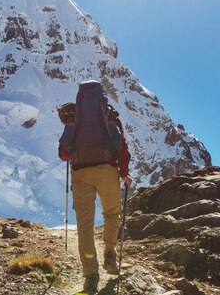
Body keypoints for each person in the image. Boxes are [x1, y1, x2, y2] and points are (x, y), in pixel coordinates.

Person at [58, 80, 133, 294]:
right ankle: (110, 253)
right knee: (112, 213)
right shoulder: (109, 115)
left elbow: (63, 154)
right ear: (101, 95)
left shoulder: (73, 117)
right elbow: (121, 147)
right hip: (107, 171)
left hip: (81, 174)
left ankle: (90, 276)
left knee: (85, 226)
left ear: (80, 96)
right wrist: (124, 174)